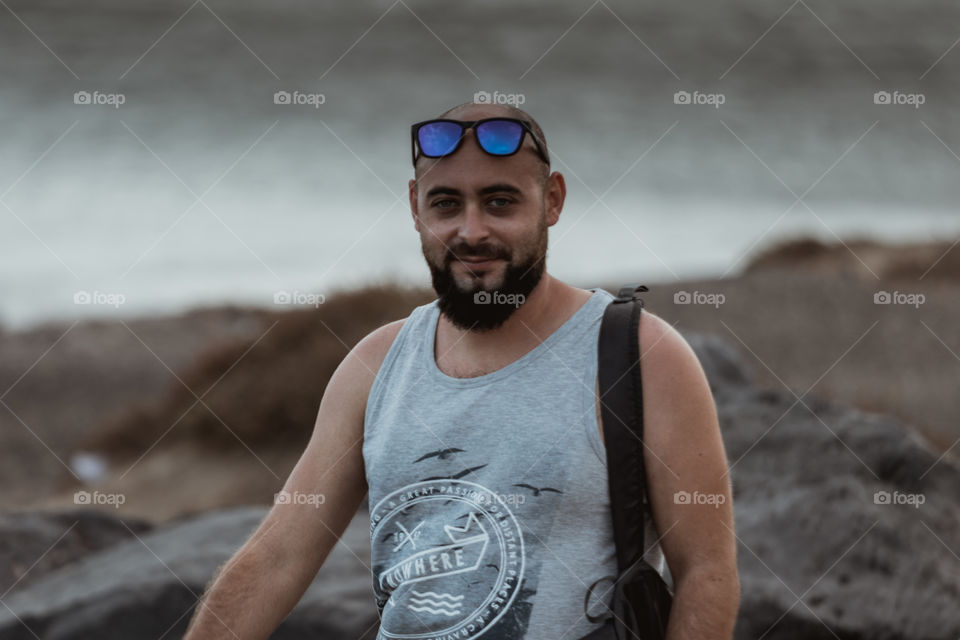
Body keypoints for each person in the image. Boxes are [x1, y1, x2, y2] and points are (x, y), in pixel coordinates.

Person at [184, 101, 740, 639]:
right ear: (415, 206)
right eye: (446, 204)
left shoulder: (638, 354)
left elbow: (706, 573)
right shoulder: (375, 366)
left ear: (552, 201)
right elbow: (277, 559)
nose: (471, 232)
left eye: (500, 202)